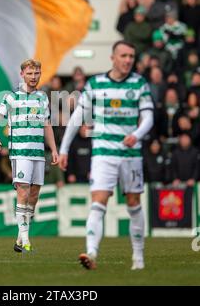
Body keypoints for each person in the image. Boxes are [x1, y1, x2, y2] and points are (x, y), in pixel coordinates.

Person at [59, 41, 154, 270]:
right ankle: (91, 252)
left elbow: (149, 117)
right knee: (98, 203)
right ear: (112, 58)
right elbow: (76, 119)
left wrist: (137, 134)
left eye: (131, 56)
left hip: (131, 154)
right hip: (103, 154)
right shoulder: (95, 84)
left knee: (133, 204)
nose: (128, 60)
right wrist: (63, 149)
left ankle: (138, 258)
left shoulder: (139, 83)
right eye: (123, 55)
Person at [0, 59, 58, 252]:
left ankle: (20, 238)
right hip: (20, 152)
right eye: (30, 73)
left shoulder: (42, 98)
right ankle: (26, 239)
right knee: (23, 192)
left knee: (34, 196)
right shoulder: (11, 97)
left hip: (38, 153)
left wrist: (53, 149)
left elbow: (47, 126)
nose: (33, 77)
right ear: (22, 75)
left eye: (36, 73)